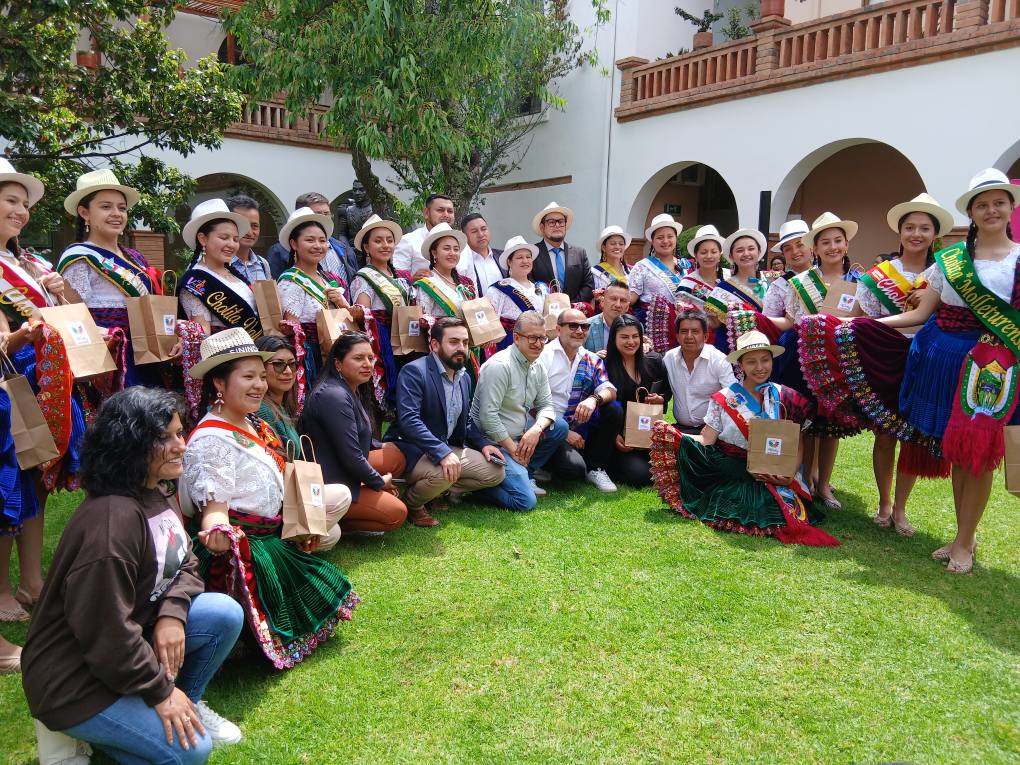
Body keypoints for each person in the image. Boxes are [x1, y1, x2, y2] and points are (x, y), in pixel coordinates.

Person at [22, 387, 245, 763]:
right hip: (74, 679)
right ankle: (70, 728)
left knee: (222, 613)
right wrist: (160, 692)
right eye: (164, 438)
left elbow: (186, 563)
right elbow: (105, 632)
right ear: (130, 443)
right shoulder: (113, 522)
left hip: (123, 647)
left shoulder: (153, 491)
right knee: (192, 752)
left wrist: (172, 614)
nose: (181, 445)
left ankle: (185, 704)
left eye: (179, 433)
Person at [183, 329, 357, 666]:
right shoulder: (211, 441)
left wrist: (298, 524)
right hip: (246, 547)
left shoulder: (249, 422)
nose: (259, 385)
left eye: (261, 377)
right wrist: (217, 530)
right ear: (219, 383)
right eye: (248, 377)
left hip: (271, 532)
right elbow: (214, 507)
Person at [882, 169, 1020, 574]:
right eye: (982, 205)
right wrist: (860, 325)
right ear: (971, 213)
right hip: (945, 361)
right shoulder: (952, 261)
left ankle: (964, 541)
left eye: (998, 203)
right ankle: (965, 536)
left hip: (993, 366)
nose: (991, 210)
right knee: (959, 450)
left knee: (977, 452)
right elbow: (920, 313)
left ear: (1011, 208)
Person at [810, 194, 955, 535]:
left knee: (913, 436)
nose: (916, 234)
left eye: (924, 228)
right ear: (900, 232)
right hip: (888, 357)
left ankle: (901, 507)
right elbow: (862, 318)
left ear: (934, 234)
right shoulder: (879, 275)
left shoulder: (946, 272)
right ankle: (885, 502)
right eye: (909, 227)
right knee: (887, 432)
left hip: (927, 357)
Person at [650, 331, 839, 547]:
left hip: (776, 473)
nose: (760, 367)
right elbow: (707, 439)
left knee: (780, 510)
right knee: (744, 505)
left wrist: (788, 475)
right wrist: (672, 434)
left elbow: (797, 442)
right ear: (740, 365)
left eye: (765, 360)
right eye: (751, 362)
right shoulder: (725, 398)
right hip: (735, 471)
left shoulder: (787, 397)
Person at [0, 160, 82, 623]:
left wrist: (61, 291)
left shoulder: (30, 263)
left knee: (37, 479)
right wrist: (17, 338)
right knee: (8, 485)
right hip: (11, 382)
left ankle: (31, 581)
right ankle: (2, 590)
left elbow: (69, 316)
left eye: (24, 203)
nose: (21, 210)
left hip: (46, 379)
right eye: (10, 200)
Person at [384, 318, 505, 526]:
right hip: (412, 449)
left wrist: (483, 443)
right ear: (434, 345)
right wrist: (442, 453)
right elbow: (409, 421)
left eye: (465, 343)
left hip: (446, 447)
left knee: (495, 472)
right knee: (445, 472)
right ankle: (413, 503)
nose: (461, 348)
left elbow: (465, 419)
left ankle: (434, 492)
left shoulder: (464, 377)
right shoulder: (415, 371)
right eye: (454, 342)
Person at [782, 212, 863, 509]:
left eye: (837, 241)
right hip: (804, 360)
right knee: (806, 422)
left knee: (832, 426)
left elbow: (865, 320)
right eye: (825, 242)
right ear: (814, 248)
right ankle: (804, 479)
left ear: (846, 244)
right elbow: (790, 320)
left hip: (839, 361)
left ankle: (824, 484)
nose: (832, 247)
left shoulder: (859, 282)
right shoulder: (801, 282)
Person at [57, 168, 163, 386]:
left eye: (121, 208)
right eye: (106, 207)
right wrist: (106, 335)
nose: (116, 213)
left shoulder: (134, 257)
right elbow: (73, 318)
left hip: (145, 352)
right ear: (84, 213)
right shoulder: (79, 257)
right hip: (108, 355)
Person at [299, 333, 408, 535]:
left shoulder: (349, 388)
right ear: (338, 364)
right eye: (358, 358)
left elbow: (353, 434)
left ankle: (362, 494)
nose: (367, 364)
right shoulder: (334, 395)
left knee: (395, 456)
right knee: (397, 512)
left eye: (370, 358)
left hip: (344, 467)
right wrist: (379, 482)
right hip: (331, 481)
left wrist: (379, 445)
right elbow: (351, 457)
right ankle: (337, 520)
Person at [469, 311, 569, 510]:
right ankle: (476, 487)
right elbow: (488, 417)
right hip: (492, 441)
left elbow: (546, 405)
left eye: (542, 338)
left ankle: (525, 473)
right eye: (532, 338)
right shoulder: (500, 366)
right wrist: (514, 451)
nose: (539, 344)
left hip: (520, 433)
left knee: (559, 427)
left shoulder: (537, 364)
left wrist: (536, 430)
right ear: (516, 337)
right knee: (525, 502)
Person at [538, 308, 618, 492]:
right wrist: (564, 432)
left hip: (578, 426)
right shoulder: (544, 356)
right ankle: (541, 465)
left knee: (613, 408)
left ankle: (596, 468)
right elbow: (532, 403)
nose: (580, 331)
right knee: (573, 470)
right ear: (558, 329)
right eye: (573, 326)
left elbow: (610, 390)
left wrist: (593, 399)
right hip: (546, 427)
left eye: (584, 326)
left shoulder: (591, 358)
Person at [584, 315, 668, 488]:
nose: (631, 342)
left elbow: (666, 392)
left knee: (665, 468)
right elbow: (601, 410)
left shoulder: (654, 361)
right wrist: (614, 435)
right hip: (614, 437)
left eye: (635, 336)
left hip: (645, 434)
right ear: (613, 338)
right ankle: (599, 465)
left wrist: (660, 399)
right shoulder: (604, 365)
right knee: (641, 475)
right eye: (624, 337)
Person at [277, 206, 353, 383]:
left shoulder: (325, 278)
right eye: (310, 240)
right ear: (294, 244)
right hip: (312, 356)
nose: (318, 246)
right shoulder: (291, 281)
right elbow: (293, 332)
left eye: (322, 240)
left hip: (335, 349)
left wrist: (342, 304)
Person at [350, 214, 412, 410]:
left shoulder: (400, 278)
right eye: (378, 241)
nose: (385, 245)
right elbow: (363, 315)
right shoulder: (364, 278)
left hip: (403, 338)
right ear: (366, 247)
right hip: (380, 340)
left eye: (389, 240)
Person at [179, 198, 261, 338]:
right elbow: (202, 336)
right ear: (203, 239)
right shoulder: (195, 281)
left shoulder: (235, 275)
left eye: (235, 239)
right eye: (224, 237)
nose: (231, 244)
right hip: (226, 350)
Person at [661, 306, 736, 434]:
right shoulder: (669, 359)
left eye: (695, 331)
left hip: (713, 430)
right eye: (684, 331)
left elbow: (732, 395)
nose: (689, 336)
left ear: (705, 336)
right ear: (677, 336)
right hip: (680, 429)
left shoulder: (719, 360)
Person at [266, 192, 354, 286]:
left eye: (326, 213)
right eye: (317, 214)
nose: (323, 218)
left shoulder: (343, 249)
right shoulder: (280, 252)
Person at [487, 236, 548, 350]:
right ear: (509, 262)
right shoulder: (498, 289)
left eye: (528, 257)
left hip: (536, 343)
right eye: (519, 257)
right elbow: (491, 324)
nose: (525, 261)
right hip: (510, 344)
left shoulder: (540, 289)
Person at [529, 202, 595, 305]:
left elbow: (588, 285)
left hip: (574, 310)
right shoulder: (532, 253)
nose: (557, 225)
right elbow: (529, 284)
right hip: (544, 310)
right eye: (551, 222)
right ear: (542, 227)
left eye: (561, 221)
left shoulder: (579, 253)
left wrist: (570, 306)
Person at [705, 227, 770, 328]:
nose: (746, 254)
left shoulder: (769, 286)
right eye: (740, 250)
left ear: (759, 252)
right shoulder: (723, 289)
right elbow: (714, 324)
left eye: (751, 249)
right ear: (731, 256)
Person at [627, 213, 686, 321]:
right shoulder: (642, 267)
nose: (665, 241)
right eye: (660, 237)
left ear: (676, 238)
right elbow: (630, 299)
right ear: (652, 241)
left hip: (684, 325)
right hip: (653, 325)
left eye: (670, 236)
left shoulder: (685, 266)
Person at [413, 222, 477, 320]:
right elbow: (422, 320)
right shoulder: (426, 283)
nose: (452, 253)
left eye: (456, 249)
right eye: (447, 249)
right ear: (434, 253)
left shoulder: (466, 282)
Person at [762, 220, 813, 331]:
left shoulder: (826, 274)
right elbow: (768, 324)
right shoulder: (779, 286)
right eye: (788, 248)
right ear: (783, 254)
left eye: (800, 245)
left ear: (811, 246)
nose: (794, 251)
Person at [254, 335, 301, 452]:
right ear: (260, 367)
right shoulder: (263, 410)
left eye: (292, 364)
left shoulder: (282, 405)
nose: (288, 371)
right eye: (278, 364)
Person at [393, 193, 456, 277]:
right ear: (426, 213)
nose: (446, 215)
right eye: (440, 210)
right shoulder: (408, 241)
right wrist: (414, 280)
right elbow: (398, 280)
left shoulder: (464, 246)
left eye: (450, 211)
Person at [226, 194, 272, 284]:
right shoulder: (218, 264)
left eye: (254, 226)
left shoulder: (263, 264)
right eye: (243, 225)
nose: (249, 232)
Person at [458, 213, 504, 297]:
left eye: (484, 229)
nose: (481, 234)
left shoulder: (503, 257)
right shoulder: (461, 262)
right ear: (464, 236)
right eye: (474, 231)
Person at [584, 280, 631, 354]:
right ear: (602, 302)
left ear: (627, 307)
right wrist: (594, 358)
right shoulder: (585, 327)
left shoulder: (635, 328)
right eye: (613, 299)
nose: (618, 305)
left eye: (623, 300)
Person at [591, 225, 632, 292]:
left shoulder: (630, 271)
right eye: (613, 243)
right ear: (604, 247)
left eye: (621, 244)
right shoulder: (596, 272)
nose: (617, 247)